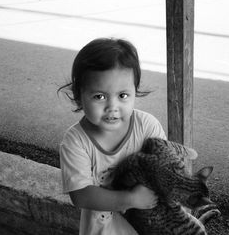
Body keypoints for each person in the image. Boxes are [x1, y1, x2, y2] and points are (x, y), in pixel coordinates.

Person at [58, 38, 167, 235]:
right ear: (78, 96)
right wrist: (131, 199)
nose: (112, 107)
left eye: (123, 95)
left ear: (135, 91)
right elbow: (81, 195)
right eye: (99, 96)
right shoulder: (75, 142)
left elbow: (165, 167)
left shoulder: (147, 126)